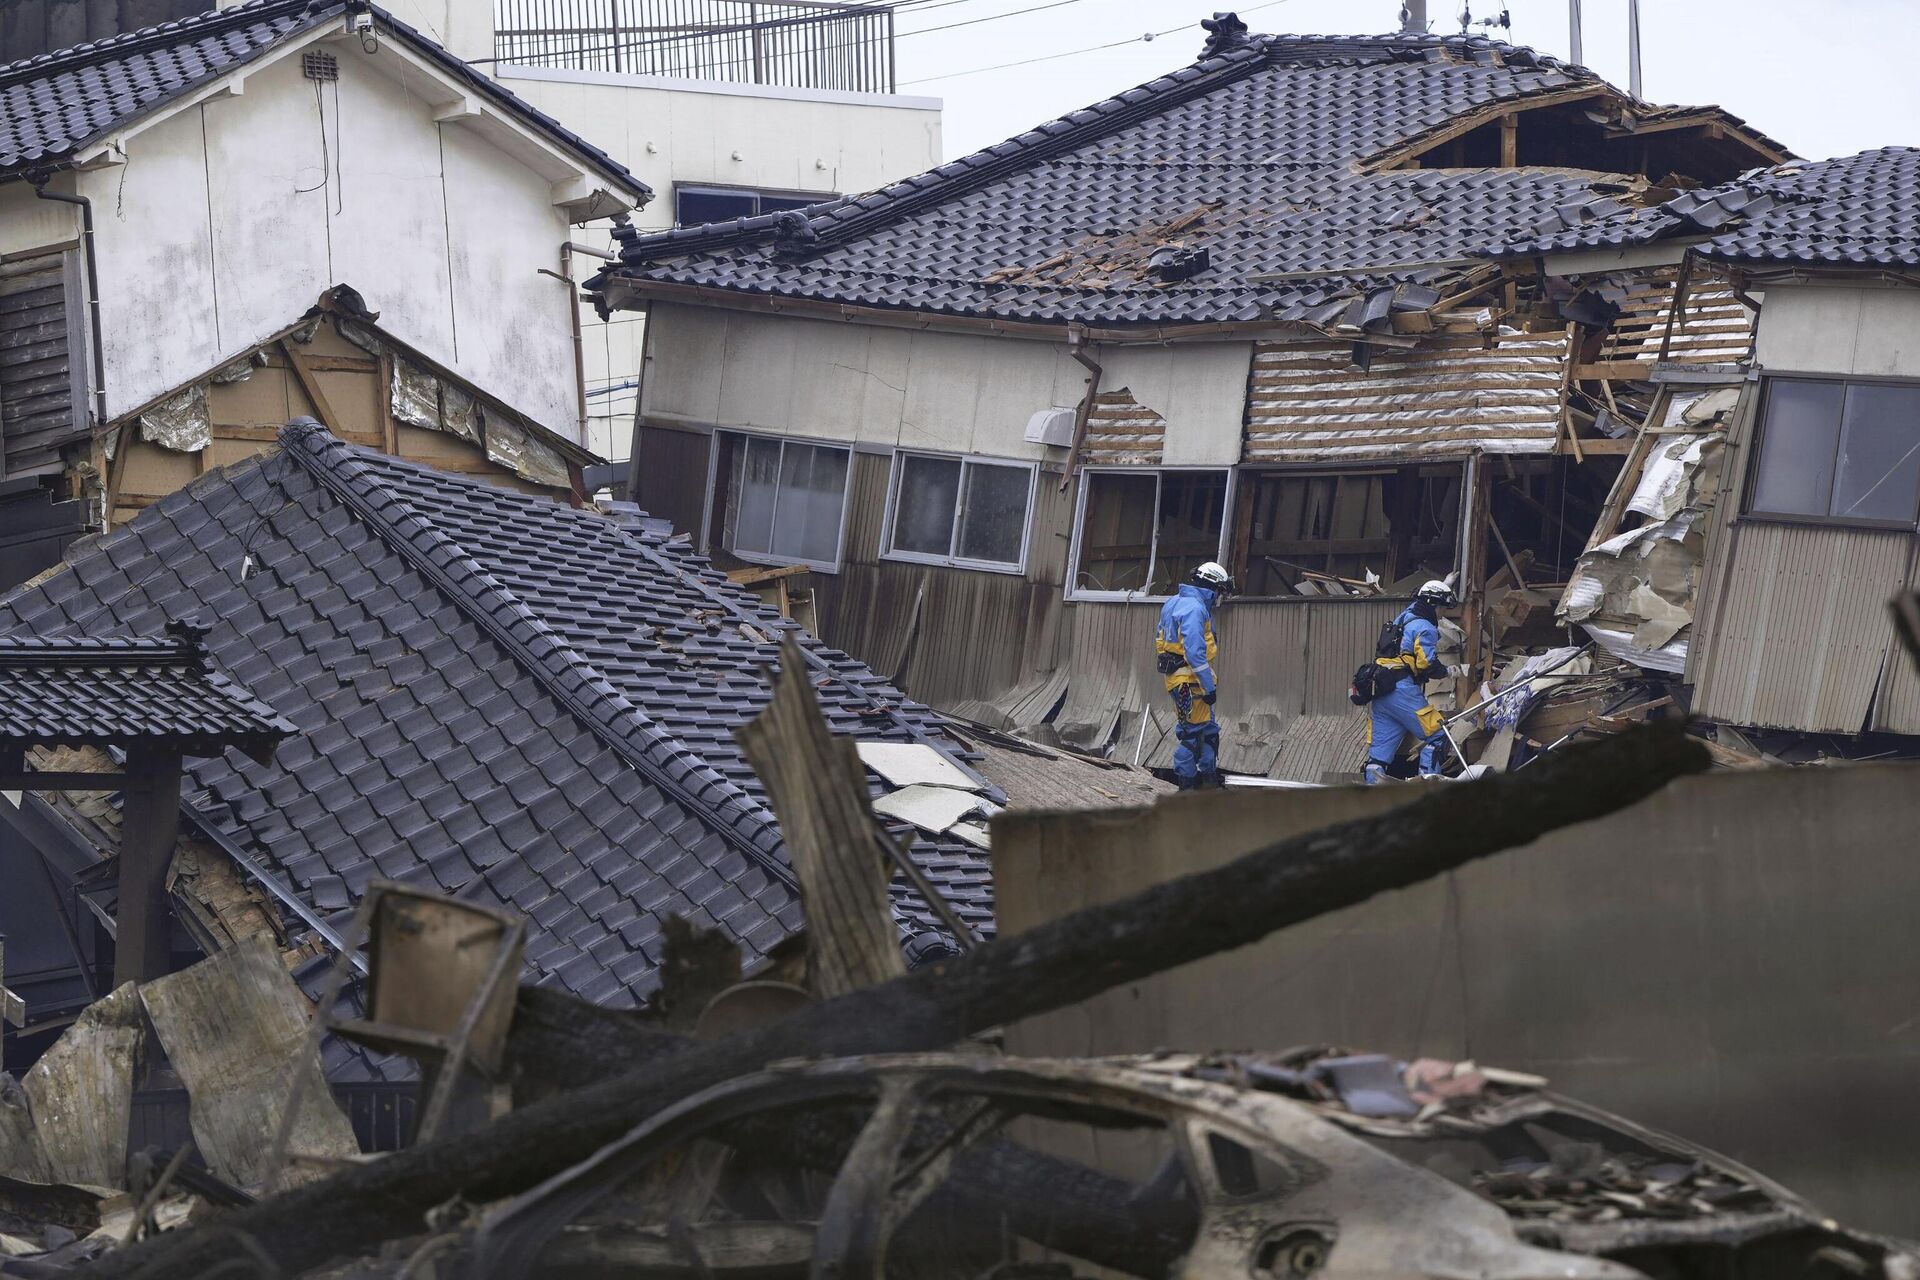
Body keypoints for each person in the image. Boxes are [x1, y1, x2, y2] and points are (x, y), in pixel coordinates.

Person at [1363, 579, 1455, 785]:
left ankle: (1370, 795)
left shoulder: (1404, 617)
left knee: (1378, 756)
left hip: (1381, 690)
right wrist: (1448, 671)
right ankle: (1426, 787)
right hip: (1402, 690)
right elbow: (1426, 663)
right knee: (1439, 737)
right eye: (1442, 608)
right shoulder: (1425, 627)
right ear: (1434, 605)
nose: (1442, 614)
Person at [1155, 561, 1233, 790]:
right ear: (1212, 587)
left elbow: (1160, 640)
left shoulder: (1173, 603)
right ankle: (1187, 789)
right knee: (1192, 736)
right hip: (1191, 682)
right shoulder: (1195, 609)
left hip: (1180, 679)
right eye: (1219, 591)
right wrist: (1209, 688)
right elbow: (1195, 653)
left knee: (1208, 731)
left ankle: (1208, 784)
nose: (1219, 597)